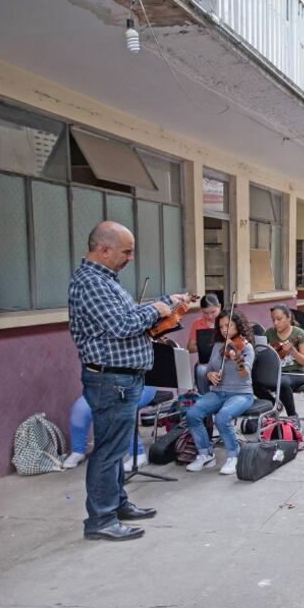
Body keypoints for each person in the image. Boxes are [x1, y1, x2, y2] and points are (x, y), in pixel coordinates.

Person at [68, 220, 189, 541]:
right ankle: (101, 520)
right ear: (104, 250)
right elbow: (122, 325)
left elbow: (129, 316)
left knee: (117, 446)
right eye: (126, 251)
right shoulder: (91, 283)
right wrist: (158, 308)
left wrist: (165, 303)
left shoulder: (107, 280)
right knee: (108, 450)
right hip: (111, 381)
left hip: (123, 379)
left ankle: (117, 503)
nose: (130, 257)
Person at [185, 311, 255, 475]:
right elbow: (208, 369)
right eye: (221, 326)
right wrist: (210, 375)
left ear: (237, 325)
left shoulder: (246, 347)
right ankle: (205, 454)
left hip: (241, 394)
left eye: (228, 325)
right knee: (192, 414)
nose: (224, 329)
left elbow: (245, 374)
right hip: (218, 392)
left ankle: (233, 455)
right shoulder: (218, 345)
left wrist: (236, 357)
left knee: (222, 417)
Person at [63, 386, 159, 471]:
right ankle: (78, 451)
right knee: (80, 408)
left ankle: (138, 455)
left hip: (139, 385)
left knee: (117, 409)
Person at [257, 304, 304, 427]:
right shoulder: (269, 333)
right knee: (254, 381)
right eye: (273, 320)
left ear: (288, 318)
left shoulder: (299, 333)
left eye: (279, 319)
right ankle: (275, 405)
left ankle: (292, 416)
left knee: (282, 382)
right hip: (275, 373)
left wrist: (293, 351)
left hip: (296, 373)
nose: (275, 323)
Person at [187, 294, 221, 393]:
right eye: (205, 313)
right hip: (205, 363)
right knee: (201, 371)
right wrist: (203, 345)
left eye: (213, 312)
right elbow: (190, 347)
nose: (210, 316)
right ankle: (205, 398)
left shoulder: (226, 321)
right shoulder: (197, 323)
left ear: (219, 306)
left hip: (225, 362)